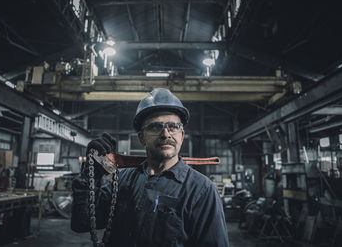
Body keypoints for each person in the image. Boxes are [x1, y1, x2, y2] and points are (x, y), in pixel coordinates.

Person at [71, 88, 229, 247]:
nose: (166, 134)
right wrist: (90, 177)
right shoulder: (123, 179)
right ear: (141, 137)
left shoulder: (202, 190)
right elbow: (82, 223)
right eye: (155, 127)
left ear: (181, 135)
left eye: (173, 126)